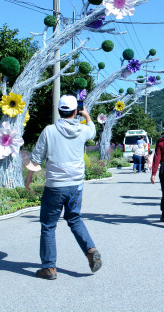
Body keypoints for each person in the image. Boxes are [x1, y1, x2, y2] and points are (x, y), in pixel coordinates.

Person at [25, 94, 101, 280]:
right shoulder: (82, 130)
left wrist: (28, 180)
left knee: (48, 226)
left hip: (55, 187)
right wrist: (87, 115)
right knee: (74, 219)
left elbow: (36, 158)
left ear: (59, 110)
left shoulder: (49, 131)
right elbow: (92, 130)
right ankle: (90, 250)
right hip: (75, 186)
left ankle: (49, 268)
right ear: (75, 111)